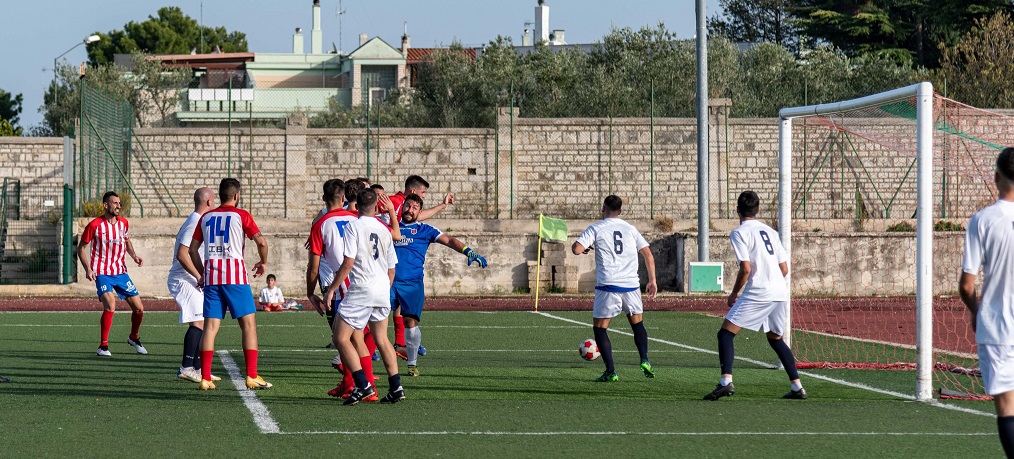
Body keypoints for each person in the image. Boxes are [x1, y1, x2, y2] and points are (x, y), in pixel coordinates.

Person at [704, 190, 806, 401]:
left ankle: (726, 382)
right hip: (780, 291)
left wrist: (734, 294)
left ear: (737, 210)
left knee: (725, 334)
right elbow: (784, 268)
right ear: (758, 210)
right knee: (776, 339)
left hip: (759, 291)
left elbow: (746, 268)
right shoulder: (771, 231)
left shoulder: (739, 233)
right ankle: (797, 387)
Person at [177, 178, 271, 391]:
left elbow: (192, 250)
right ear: (236, 196)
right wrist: (263, 262)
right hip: (235, 278)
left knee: (210, 328)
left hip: (212, 279)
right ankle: (252, 375)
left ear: (220, 196)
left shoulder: (206, 217)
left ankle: (206, 377)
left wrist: (203, 274)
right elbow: (262, 242)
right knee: (248, 325)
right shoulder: (242, 215)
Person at [392, 193, 487, 376]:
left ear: (420, 212)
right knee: (372, 319)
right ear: (402, 207)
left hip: (412, 285)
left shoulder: (425, 229)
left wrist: (469, 252)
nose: (410, 210)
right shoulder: (391, 227)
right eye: (408, 206)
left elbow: (450, 241)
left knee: (410, 323)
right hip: (388, 282)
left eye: (414, 208)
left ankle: (412, 364)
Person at [325, 187, 405, 405]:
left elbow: (348, 262)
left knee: (340, 338)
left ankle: (363, 385)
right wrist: (383, 288)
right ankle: (396, 387)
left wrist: (332, 288)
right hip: (382, 289)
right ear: (376, 207)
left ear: (356, 205)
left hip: (361, 289)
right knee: (382, 339)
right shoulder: (384, 229)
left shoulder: (353, 226)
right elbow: (392, 268)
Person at [959, 147, 1014, 456]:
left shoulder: (982, 220)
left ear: (995, 178)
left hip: (997, 329)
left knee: (1007, 407)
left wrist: (976, 311)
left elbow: (967, 286)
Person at [572, 195, 657, 382]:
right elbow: (648, 255)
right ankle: (645, 359)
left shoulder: (596, 228)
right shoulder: (630, 229)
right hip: (631, 286)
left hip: (608, 285)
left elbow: (577, 249)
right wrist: (652, 281)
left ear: (603, 209)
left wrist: (583, 247)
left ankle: (611, 371)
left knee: (600, 329)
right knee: (637, 324)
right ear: (620, 212)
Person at [385, 175, 454, 353]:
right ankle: (361, 349)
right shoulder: (394, 202)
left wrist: (443, 205)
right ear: (414, 191)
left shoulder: (405, 205)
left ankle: (401, 343)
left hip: (401, 274)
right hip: (383, 266)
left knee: (400, 307)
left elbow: (419, 216)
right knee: (377, 312)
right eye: (423, 193)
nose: (423, 197)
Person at [77, 191, 148, 357]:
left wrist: (134, 256)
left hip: (120, 272)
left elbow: (127, 240)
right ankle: (103, 346)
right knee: (110, 304)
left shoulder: (124, 223)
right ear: (105, 205)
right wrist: (88, 269)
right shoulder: (94, 225)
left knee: (139, 309)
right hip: (102, 272)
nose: (118, 206)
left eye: (119, 203)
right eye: (115, 203)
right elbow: (80, 248)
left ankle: (133, 338)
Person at [169, 187, 221, 383]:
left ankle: (199, 370)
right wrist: (199, 276)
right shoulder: (194, 221)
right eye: (213, 201)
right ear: (208, 202)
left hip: (190, 277)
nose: (214, 204)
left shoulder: (198, 221)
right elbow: (183, 254)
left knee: (205, 321)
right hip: (182, 278)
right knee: (198, 321)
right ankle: (186, 367)